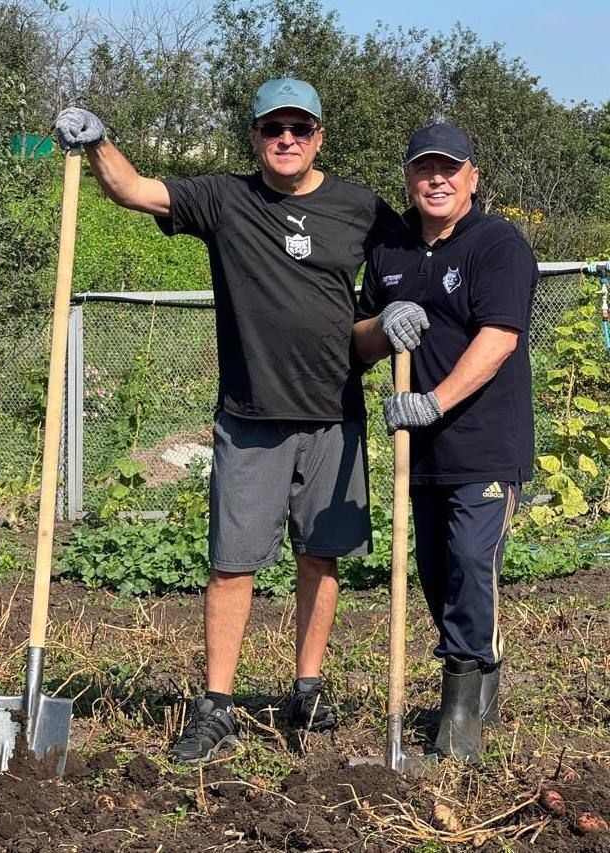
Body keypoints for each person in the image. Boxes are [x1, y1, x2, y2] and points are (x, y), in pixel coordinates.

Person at [54, 79, 426, 763]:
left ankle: (306, 689)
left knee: (321, 555)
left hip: (333, 416)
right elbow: (135, 190)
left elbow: (418, 257)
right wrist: (98, 139)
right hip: (250, 418)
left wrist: (405, 312)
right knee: (232, 564)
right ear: (254, 136)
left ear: (319, 136)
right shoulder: (225, 199)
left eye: (299, 128)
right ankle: (217, 706)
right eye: (272, 128)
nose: (286, 139)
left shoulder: (360, 209)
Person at [354, 123, 538, 762]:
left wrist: (433, 401)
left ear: (472, 178)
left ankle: (459, 722)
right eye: (424, 169)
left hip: (485, 442)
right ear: (408, 178)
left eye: (449, 169)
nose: (437, 179)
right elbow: (358, 341)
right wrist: (382, 325)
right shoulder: (392, 249)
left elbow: (499, 340)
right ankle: (479, 676)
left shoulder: (498, 244)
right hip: (421, 452)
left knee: (467, 558)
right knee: (437, 574)